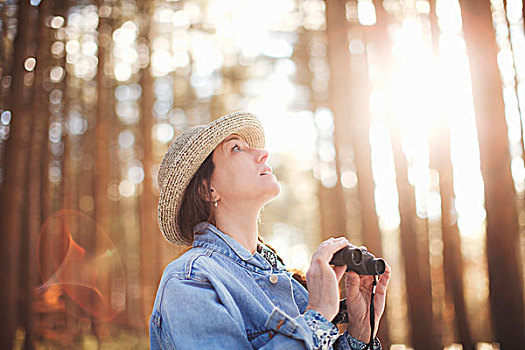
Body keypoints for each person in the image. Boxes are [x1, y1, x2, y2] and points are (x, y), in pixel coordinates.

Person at [149, 111, 391, 349]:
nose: (263, 154)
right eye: (236, 149)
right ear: (207, 189)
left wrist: (358, 335)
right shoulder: (190, 279)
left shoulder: (291, 285)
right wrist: (317, 317)